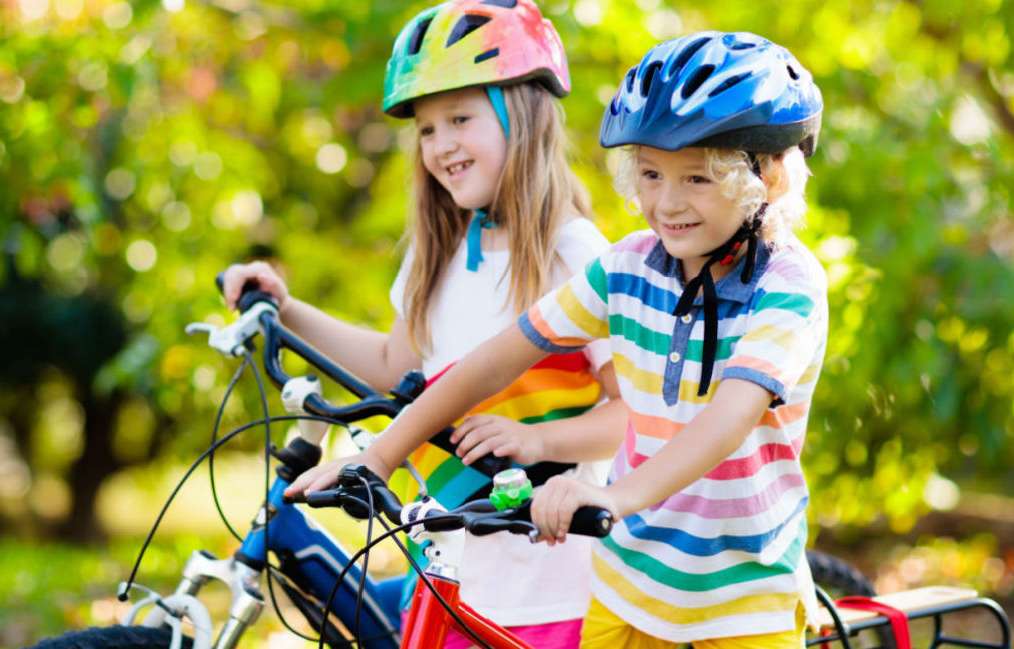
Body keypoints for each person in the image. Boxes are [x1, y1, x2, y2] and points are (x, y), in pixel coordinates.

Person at [292, 30, 829, 648]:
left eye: (699, 179)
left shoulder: (789, 284)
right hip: (626, 586)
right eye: (650, 174)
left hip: (742, 600)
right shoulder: (628, 267)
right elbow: (494, 360)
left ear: (771, 180)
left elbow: (730, 416)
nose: (667, 203)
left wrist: (613, 495)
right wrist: (379, 456)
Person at [227, 1, 624, 647]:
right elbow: (391, 365)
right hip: (447, 572)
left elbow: (630, 413)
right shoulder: (436, 255)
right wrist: (285, 306)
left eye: (460, 119)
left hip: (551, 586)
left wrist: (538, 442)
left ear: (521, 118)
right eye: (427, 129)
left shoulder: (574, 254)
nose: (440, 146)